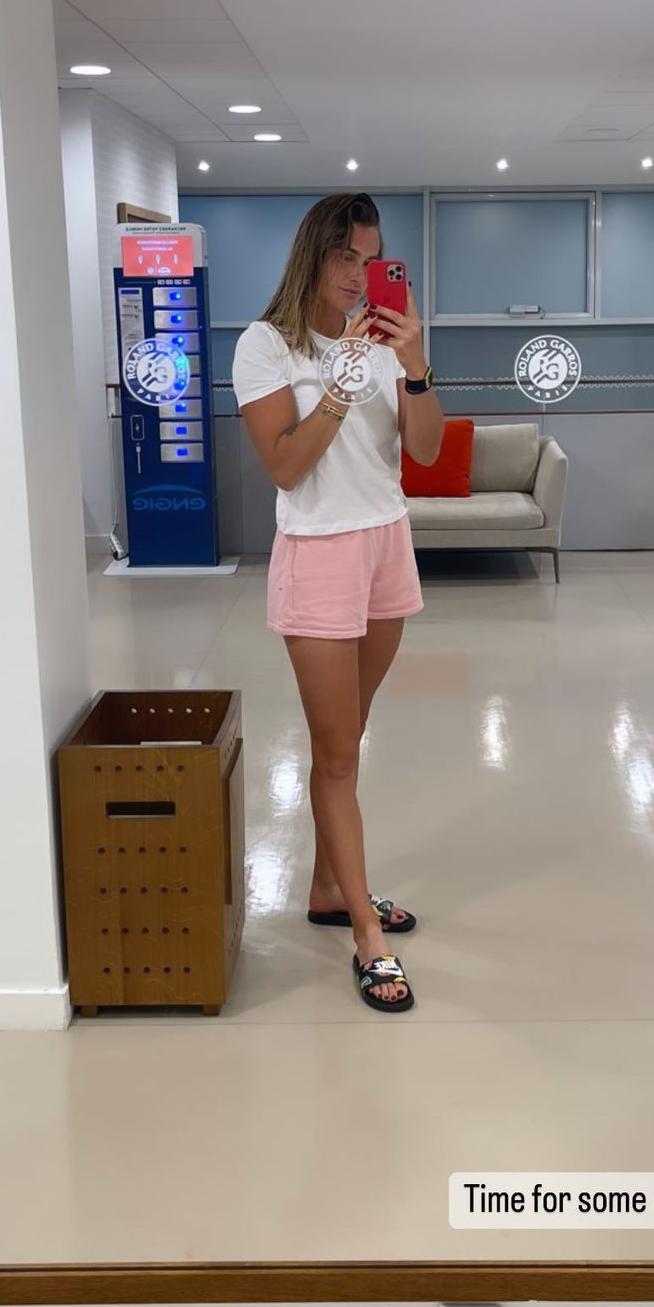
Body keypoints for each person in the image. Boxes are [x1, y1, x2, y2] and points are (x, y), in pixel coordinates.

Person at [232, 193, 444, 1013]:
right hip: (320, 551)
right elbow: (286, 467)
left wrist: (413, 364)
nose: (360, 274)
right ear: (313, 255)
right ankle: (365, 933)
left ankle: (329, 887)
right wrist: (341, 381)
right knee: (337, 757)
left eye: (372, 257)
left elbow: (424, 450)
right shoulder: (266, 345)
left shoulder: (388, 342)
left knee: (347, 740)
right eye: (345, 256)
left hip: (385, 540)